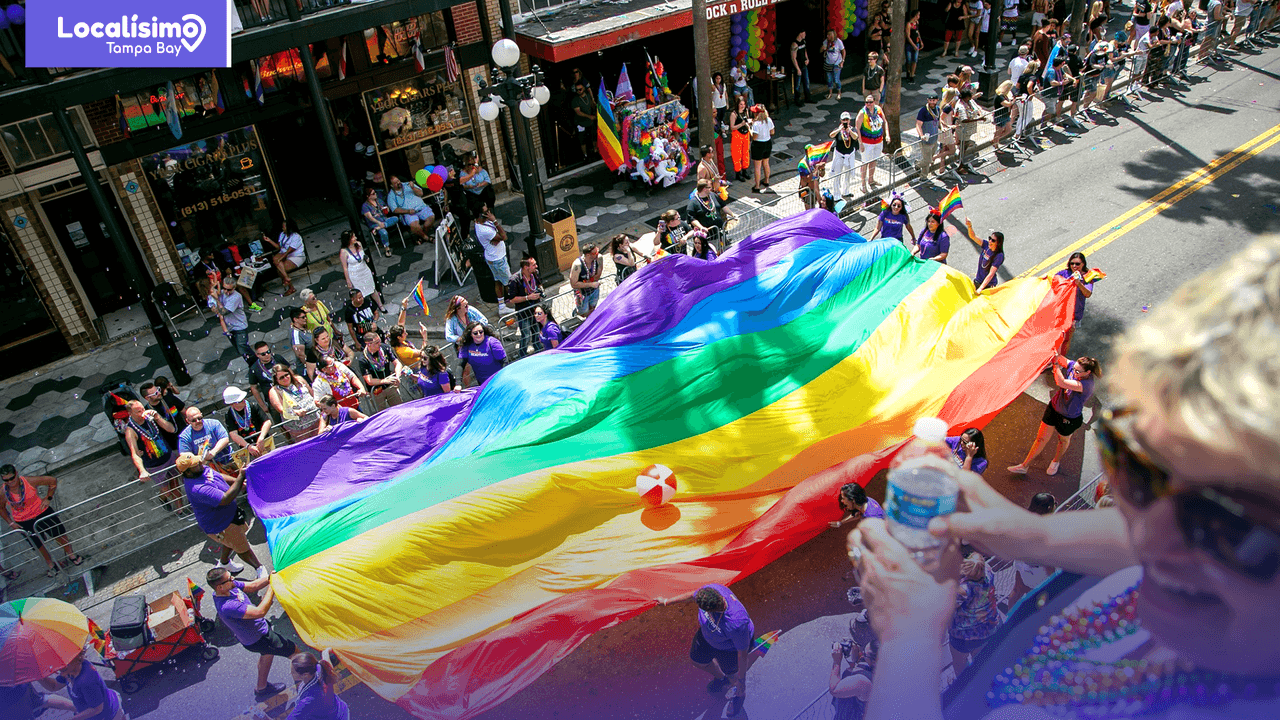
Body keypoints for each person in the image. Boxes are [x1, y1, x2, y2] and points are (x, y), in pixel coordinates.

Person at [849, 238, 1280, 720]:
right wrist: (1033, 535)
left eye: (1228, 527)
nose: (1150, 536)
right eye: (1135, 463)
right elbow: (1138, 535)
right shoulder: (1194, 578)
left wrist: (909, 640)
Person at [209, 564, 294, 702]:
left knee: (267, 654)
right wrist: (272, 586)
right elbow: (260, 611)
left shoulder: (227, 587)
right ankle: (317, 667)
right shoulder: (228, 606)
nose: (233, 579)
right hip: (260, 637)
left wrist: (269, 577)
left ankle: (262, 688)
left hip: (253, 637)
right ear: (220, 587)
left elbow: (253, 586)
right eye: (230, 579)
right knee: (294, 651)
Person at [176, 453, 265, 579]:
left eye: (198, 461)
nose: (200, 464)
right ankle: (259, 568)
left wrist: (237, 482)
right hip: (220, 523)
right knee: (242, 546)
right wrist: (240, 477)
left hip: (229, 515)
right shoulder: (197, 488)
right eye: (196, 465)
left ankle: (224, 563)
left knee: (230, 541)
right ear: (188, 472)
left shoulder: (201, 470)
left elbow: (216, 475)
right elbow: (225, 499)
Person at [1008, 355, 1101, 476]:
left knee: (1063, 440)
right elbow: (1059, 357)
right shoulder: (1074, 367)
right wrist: (1056, 354)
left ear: (1088, 372)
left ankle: (1055, 461)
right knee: (1041, 438)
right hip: (1053, 408)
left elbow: (1061, 382)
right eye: (1074, 369)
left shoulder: (1087, 385)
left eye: (1078, 371)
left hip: (1069, 417)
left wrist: (1055, 366)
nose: (1075, 371)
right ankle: (1024, 466)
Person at [1, 466, 82, 577]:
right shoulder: (3, 492)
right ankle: (50, 564)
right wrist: (10, 523)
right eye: (6, 480)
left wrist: (48, 498)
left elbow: (52, 481)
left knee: (59, 534)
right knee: (37, 544)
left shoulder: (28, 481)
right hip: (24, 522)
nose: (10, 482)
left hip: (42, 513)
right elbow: (1, 508)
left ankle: (71, 554)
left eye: (12, 478)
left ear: (16, 473)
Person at [691, 584, 754, 717]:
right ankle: (721, 678)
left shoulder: (736, 622)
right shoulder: (711, 591)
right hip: (707, 635)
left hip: (729, 649)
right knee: (698, 661)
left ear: (710, 611)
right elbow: (693, 595)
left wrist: (741, 680)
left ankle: (739, 695)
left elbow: (742, 653)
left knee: (734, 677)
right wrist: (667, 601)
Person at [123, 401, 184, 512]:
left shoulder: (150, 418)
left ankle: (181, 510)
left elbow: (171, 429)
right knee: (166, 490)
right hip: (154, 465)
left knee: (175, 483)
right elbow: (135, 454)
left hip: (169, 457)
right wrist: (142, 470)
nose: (142, 412)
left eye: (142, 409)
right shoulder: (130, 431)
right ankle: (162, 498)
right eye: (138, 411)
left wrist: (157, 417)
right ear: (130, 413)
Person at [37, 648, 124, 720]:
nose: (59, 666)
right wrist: (37, 676)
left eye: (64, 661)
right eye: (57, 661)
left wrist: (76, 718)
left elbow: (97, 708)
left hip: (109, 715)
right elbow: (54, 686)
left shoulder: (86, 682)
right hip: (105, 705)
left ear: (77, 657)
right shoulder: (70, 671)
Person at [948, 552, 1000, 671]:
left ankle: (962, 685)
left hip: (963, 636)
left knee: (959, 663)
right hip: (986, 629)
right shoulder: (988, 571)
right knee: (979, 660)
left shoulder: (962, 591)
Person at [1005, 492, 1058, 609]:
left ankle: (1009, 618)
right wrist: (1054, 579)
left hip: (1021, 562)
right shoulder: (1048, 530)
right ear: (1049, 508)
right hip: (1038, 570)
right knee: (1035, 595)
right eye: (1054, 503)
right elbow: (1048, 563)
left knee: (1017, 590)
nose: (1056, 505)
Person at [287, 651, 350, 720]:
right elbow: (327, 661)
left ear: (305, 675)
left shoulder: (308, 701)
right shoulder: (320, 669)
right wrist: (326, 652)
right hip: (340, 710)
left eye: (293, 672)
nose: (290, 673)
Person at [1054, 252, 1095, 355]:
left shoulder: (1087, 277)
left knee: (1066, 339)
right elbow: (1053, 284)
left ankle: (1060, 360)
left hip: (1074, 315)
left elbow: (1088, 293)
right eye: (1072, 263)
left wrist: (1079, 283)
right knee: (1056, 337)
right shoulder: (1063, 274)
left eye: (1077, 264)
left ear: (1083, 264)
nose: (1074, 266)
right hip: (1060, 311)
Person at [208, 275, 253, 368]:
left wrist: (217, 300)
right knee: (240, 349)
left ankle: (255, 367)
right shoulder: (222, 293)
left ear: (234, 288)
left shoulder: (236, 297)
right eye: (225, 289)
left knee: (243, 350)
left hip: (239, 327)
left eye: (229, 290)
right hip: (230, 327)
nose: (226, 292)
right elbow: (215, 308)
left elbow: (223, 312)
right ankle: (254, 366)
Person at [475, 204, 512, 315]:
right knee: (509, 283)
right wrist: (495, 221)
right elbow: (504, 237)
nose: (489, 214)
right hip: (498, 260)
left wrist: (497, 237)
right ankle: (512, 304)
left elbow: (499, 237)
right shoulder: (485, 230)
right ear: (480, 215)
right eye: (486, 212)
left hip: (493, 257)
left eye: (489, 210)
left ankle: (501, 305)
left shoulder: (479, 223)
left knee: (498, 281)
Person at [267, 364, 319, 441]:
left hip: (315, 418)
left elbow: (311, 392)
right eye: (281, 378)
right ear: (276, 380)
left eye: (286, 375)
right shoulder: (274, 391)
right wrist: (295, 412)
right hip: (299, 427)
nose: (285, 378)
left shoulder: (299, 379)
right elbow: (280, 409)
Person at [506, 257, 546, 356]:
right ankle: (522, 355)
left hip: (535, 310)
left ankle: (538, 351)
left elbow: (540, 284)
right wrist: (528, 297)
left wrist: (541, 290)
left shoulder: (535, 273)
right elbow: (512, 299)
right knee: (526, 336)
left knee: (536, 332)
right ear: (525, 267)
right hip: (523, 313)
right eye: (533, 265)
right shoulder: (514, 280)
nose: (536, 266)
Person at [223, 386, 273, 464]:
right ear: (232, 404)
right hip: (247, 447)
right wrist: (248, 446)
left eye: (243, 398)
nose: (244, 401)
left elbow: (267, 422)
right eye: (240, 400)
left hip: (263, 442)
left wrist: (261, 437)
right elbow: (233, 434)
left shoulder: (253, 405)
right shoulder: (229, 415)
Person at [177, 406, 234, 471]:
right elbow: (184, 454)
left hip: (227, 459)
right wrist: (199, 459)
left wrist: (213, 452)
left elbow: (224, 439)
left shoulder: (214, 423)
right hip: (206, 468)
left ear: (201, 415)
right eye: (194, 420)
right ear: (187, 421)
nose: (198, 421)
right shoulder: (185, 436)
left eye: (199, 418)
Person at [830, 641, 875, 720]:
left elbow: (834, 689)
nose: (862, 654)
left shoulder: (862, 681)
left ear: (874, 661)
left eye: (864, 654)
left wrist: (836, 661)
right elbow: (854, 670)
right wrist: (852, 655)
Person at [339, 231, 383, 313]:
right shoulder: (343, 251)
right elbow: (345, 268)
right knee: (360, 293)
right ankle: (366, 310)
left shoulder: (358, 244)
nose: (355, 238)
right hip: (355, 274)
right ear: (348, 240)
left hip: (364, 270)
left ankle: (380, 305)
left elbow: (362, 255)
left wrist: (366, 258)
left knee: (372, 289)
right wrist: (348, 281)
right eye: (352, 237)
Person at [357, 332, 401, 412]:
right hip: (376, 391)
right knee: (382, 413)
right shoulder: (363, 359)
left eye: (379, 341)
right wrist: (384, 381)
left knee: (399, 408)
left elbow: (397, 363)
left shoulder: (385, 348)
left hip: (390, 386)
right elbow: (369, 380)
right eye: (376, 342)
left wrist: (397, 376)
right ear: (368, 344)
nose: (379, 344)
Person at [386, 175, 435, 243]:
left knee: (431, 218)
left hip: (421, 207)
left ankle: (421, 237)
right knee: (414, 226)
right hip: (409, 213)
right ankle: (427, 238)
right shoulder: (391, 195)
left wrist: (413, 187)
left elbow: (421, 193)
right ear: (391, 185)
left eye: (398, 181)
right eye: (395, 183)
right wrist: (408, 211)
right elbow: (394, 209)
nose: (398, 183)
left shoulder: (408, 184)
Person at [457, 322, 507, 388]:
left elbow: (505, 362)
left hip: (498, 381)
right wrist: (458, 383)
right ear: (470, 334)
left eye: (481, 332)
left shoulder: (493, 343)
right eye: (475, 333)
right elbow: (460, 365)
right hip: (482, 382)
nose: (479, 334)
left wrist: (503, 379)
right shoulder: (467, 345)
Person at [266, 219, 306, 296]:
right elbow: (278, 247)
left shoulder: (296, 237)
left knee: (280, 270)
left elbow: (289, 251)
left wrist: (279, 259)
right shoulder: (282, 234)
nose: (282, 228)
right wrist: (269, 241)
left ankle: (291, 288)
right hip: (285, 254)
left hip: (296, 257)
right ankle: (287, 278)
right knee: (275, 260)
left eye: (284, 227)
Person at [140, 380, 185, 448]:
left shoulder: (168, 398)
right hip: (171, 445)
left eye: (158, 390)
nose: (159, 393)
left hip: (185, 435)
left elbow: (183, 410)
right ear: (147, 398)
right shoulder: (147, 412)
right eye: (155, 393)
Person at [855, 96, 886, 194]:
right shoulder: (862, 113)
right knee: (865, 163)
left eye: (870, 102)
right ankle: (863, 184)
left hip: (878, 141)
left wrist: (887, 135)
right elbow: (857, 128)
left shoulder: (879, 110)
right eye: (866, 102)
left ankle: (871, 180)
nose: (868, 104)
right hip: (867, 142)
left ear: (874, 102)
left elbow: (885, 122)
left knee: (874, 160)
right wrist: (860, 143)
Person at [248, 342, 289, 415]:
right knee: (278, 421)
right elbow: (254, 388)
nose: (267, 355)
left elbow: (290, 372)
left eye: (268, 352)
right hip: (272, 400)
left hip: (289, 393)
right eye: (263, 354)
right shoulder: (254, 369)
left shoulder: (277, 358)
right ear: (257, 355)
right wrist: (262, 405)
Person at [686, 179, 730, 244]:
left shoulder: (713, 195)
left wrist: (732, 214)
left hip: (720, 232)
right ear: (704, 189)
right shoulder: (693, 203)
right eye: (709, 187)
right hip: (707, 237)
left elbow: (723, 206)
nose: (711, 189)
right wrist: (701, 227)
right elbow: (692, 219)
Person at [965, 221, 1005, 292]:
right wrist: (969, 226)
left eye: (993, 240)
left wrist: (981, 288)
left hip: (988, 286)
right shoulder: (986, 245)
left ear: (998, 243)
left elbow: (991, 274)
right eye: (990, 238)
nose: (990, 241)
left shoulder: (999, 256)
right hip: (978, 281)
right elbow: (973, 236)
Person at [830, 111, 859, 197]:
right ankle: (836, 194)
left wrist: (849, 131)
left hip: (849, 155)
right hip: (839, 155)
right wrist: (840, 129)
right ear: (841, 120)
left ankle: (846, 191)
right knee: (837, 175)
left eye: (847, 119)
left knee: (848, 175)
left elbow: (855, 137)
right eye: (844, 120)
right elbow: (831, 135)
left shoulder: (852, 129)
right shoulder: (838, 129)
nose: (845, 121)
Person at [569, 246, 603, 319]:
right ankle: (576, 312)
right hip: (582, 293)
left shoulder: (598, 258)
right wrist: (591, 284)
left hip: (594, 290)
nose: (597, 254)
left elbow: (598, 275)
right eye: (595, 253)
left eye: (597, 251)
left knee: (592, 309)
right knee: (583, 313)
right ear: (588, 255)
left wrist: (587, 282)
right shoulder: (577, 265)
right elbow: (573, 284)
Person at [459, 151, 496, 216]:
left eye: (472, 164)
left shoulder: (480, 170)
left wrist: (481, 184)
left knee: (489, 191)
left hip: (482, 190)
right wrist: (468, 187)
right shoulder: (463, 173)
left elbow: (488, 180)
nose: (471, 166)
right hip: (472, 193)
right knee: (472, 200)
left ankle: (491, 211)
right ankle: (478, 216)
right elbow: (461, 185)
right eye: (469, 165)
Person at [359, 188, 392, 257]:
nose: (375, 194)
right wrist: (378, 223)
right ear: (368, 196)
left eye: (375, 192)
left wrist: (387, 210)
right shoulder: (365, 206)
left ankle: (378, 228)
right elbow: (370, 217)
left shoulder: (379, 201)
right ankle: (387, 249)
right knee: (384, 232)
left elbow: (386, 208)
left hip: (384, 220)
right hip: (375, 223)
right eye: (373, 193)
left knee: (396, 218)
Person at [749, 105, 775, 193]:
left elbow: (754, 137)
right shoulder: (769, 120)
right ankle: (767, 180)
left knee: (757, 167)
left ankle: (757, 186)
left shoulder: (756, 124)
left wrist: (749, 129)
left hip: (758, 145)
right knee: (766, 163)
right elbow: (772, 132)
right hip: (767, 143)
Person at [728, 94, 752, 182]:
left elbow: (748, 120)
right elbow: (732, 127)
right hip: (737, 135)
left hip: (746, 135)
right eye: (741, 104)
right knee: (737, 155)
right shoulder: (733, 114)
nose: (742, 106)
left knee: (746, 153)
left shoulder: (746, 111)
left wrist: (749, 123)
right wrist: (741, 124)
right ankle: (738, 173)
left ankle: (745, 170)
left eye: (743, 104)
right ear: (737, 104)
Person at [570, 82, 597, 158]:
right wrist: (589, 116)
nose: (579, 91)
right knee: (582, 139)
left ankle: (595, 151)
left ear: (584, 88)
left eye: (580, 89)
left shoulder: (588, 96)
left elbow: (592, 104)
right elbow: (578, 112)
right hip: (580, 123)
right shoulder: (575, 100)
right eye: (577, 90)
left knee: (594, 135)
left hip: (590, 122)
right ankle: (585, 155)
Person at [820, 29, 846, 100]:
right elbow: (820, 51)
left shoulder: (838, 42)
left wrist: (842, 61)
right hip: (828, 63)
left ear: (833, 35)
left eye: (829, 35)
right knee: (829, 79)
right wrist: (822, 49)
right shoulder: (826, 41)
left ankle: (839, 92)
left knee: (836, 79)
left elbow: (843, 51)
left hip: (837, 63)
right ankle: (830, 93)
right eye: (827, 35)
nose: (827, 36)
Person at [791, 31, 812, 106]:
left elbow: (805, 51)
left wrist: (807, 59)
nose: (805, 35)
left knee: (806, 82)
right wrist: (797, 69)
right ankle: (797, 100)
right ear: (800, 34)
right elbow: (793, 58)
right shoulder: (795, 44)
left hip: (804, 65)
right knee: (797, 84)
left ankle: (808, 97)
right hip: (798, 66)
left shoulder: (803, 42)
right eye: (804, 33)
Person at [905, 12, 923, 80]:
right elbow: (908, 36)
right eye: (918, 15)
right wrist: (913, 45)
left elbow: (917, 32)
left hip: (916, 42)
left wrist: (920, 41)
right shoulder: (909, 24)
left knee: (914, 60)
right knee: (909, 60)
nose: (919, 16)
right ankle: (908, 71)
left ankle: (912, 74)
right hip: (909, 44)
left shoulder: (917, 23)